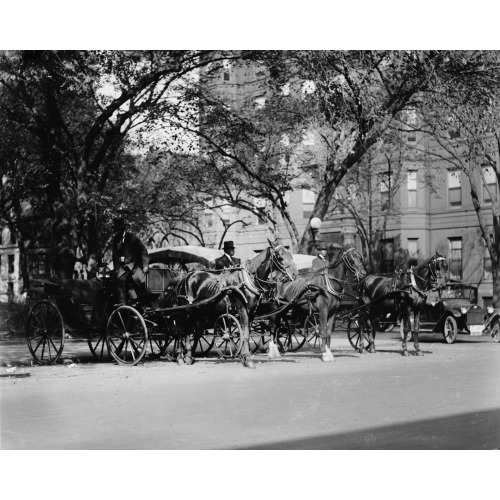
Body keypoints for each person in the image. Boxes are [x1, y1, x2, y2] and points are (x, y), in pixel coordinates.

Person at [112, 217, 149, 306]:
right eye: (116, 230)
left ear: (123, 229)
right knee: (120, 279)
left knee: (140, 282)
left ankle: (144, 304)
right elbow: (115, 256)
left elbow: (143, 250)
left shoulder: (132, 238)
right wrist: (116, 269)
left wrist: (145, 265)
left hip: (135, 265)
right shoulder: (115, 240)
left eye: (119, 230)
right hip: (123, 267)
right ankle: (122, 303)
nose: (117, 232)